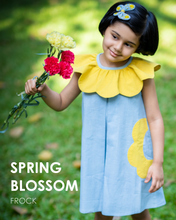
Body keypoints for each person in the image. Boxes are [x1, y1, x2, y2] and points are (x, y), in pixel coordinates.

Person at [25, 1, 166, 219]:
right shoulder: (87, 67)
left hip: (132, 154)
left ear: (139, 47)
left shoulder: (142, 72)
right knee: (101, 212)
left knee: (138, 210)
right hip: (97, 155)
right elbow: (61, 102)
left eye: (129, 44)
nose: (117, 47)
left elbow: (155, 118)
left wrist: (157, 163)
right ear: (106, 27)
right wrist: (43, 89)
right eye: (115, 36)